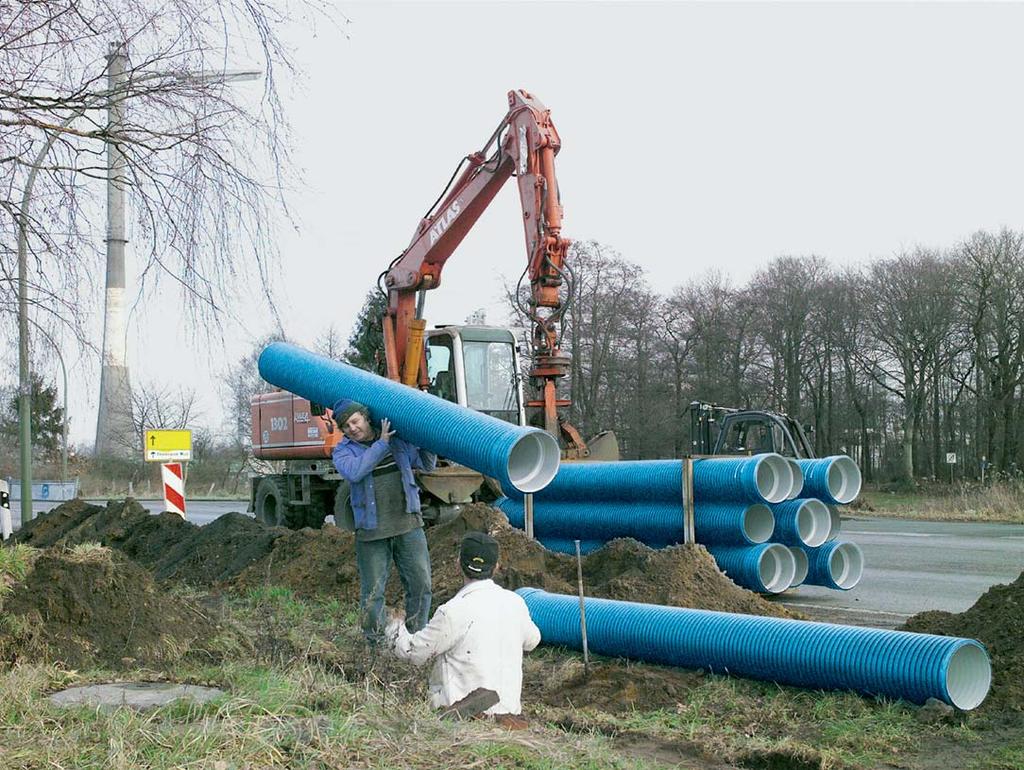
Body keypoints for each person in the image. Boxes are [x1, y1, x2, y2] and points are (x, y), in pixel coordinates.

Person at [386, 531, 542, 723]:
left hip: (463, 719)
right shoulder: (516, 603)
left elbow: (413, 653)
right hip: (509, 716)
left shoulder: (452, 611)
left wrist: (395, 626)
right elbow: (533, 641)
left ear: (458, 563)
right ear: (496, 568)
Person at [331, 398, 437, 643]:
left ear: (366, 417)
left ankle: (415, 638)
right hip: (372, 531)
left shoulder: (397, 440)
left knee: (421, 585)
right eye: (346, 426)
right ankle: (375, 645)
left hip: (408, 523)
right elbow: (356, 471)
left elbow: (425, 465)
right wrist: (381, 444)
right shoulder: (343, 451)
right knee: (373, 592)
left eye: (355, 421)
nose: (352, 428)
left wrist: (429, 441)